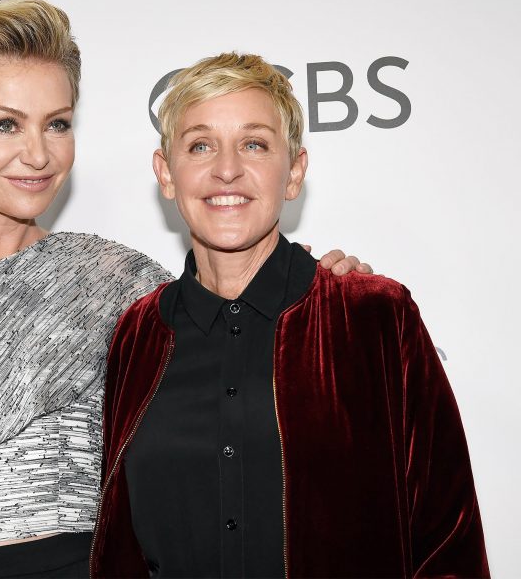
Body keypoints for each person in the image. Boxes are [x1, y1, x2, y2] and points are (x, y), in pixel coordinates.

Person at [0, 0, 370, 579]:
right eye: (5, 124)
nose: (37, 154)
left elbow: (236, 367)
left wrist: (319, 294)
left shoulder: (118, 281)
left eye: (56, 124)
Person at [91, 53, 489, 578]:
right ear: (166, 173)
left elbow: (447, 539)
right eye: (200, 145)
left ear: (294, 171)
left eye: (254, 144)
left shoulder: (373, 316)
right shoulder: (137, 333)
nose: (226, 168)